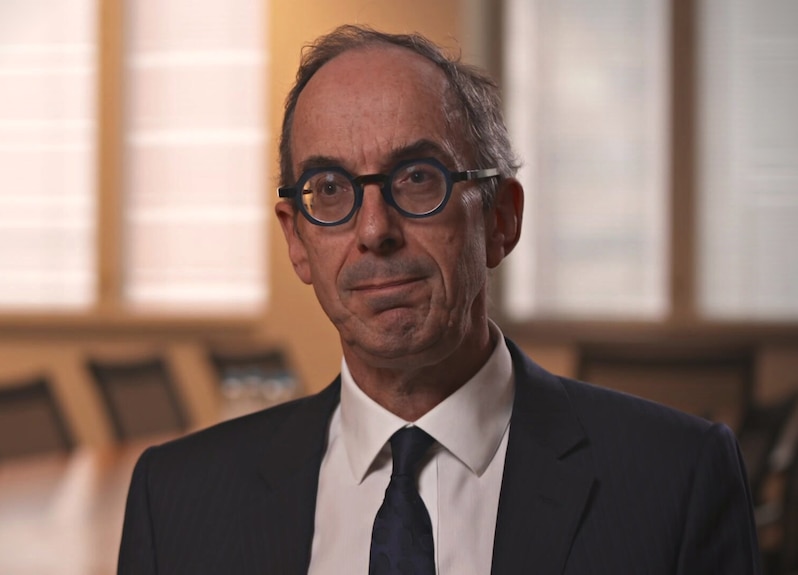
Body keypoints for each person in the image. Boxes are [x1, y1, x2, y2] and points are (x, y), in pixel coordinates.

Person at [117, 25, 760, 575]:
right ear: (297, 239)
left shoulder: (677, 480)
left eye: (418, 178)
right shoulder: (175, 502)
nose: (374, 231)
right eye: (331, 188)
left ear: (502, 219)